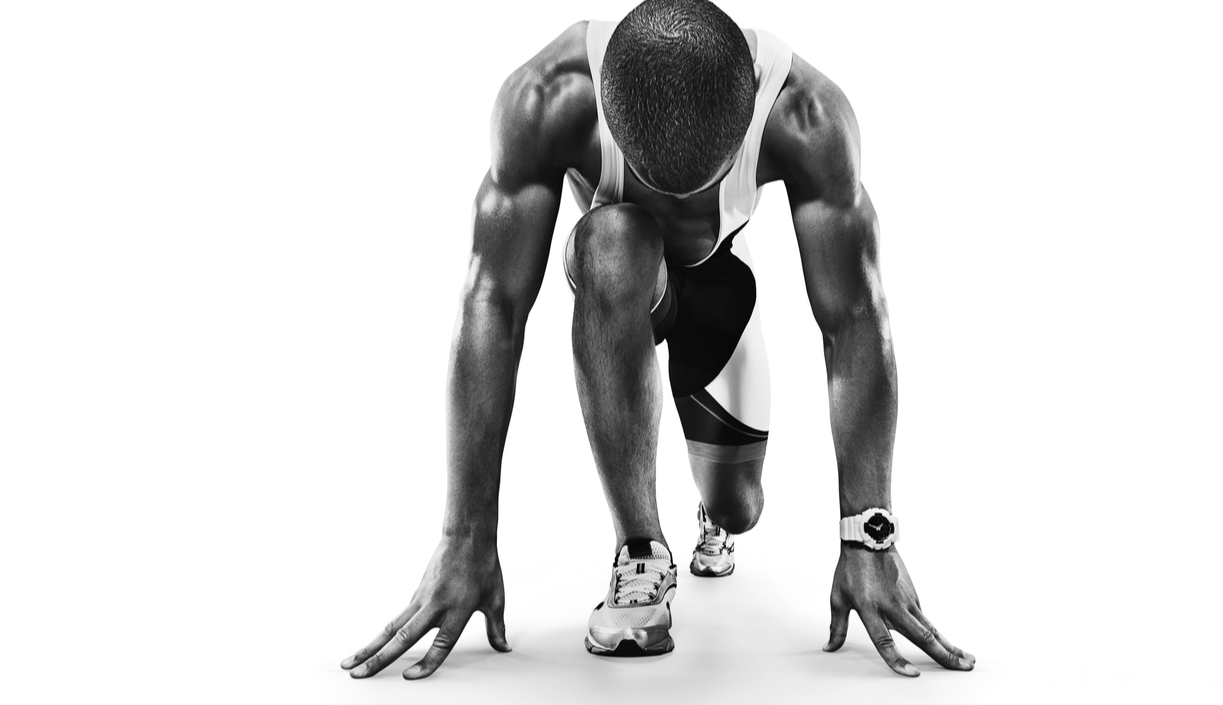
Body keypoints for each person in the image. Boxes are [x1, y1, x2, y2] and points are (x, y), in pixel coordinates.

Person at [341, 0, 973, 679]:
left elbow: (853, 318)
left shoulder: (807, 117)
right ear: (609, 116)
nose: (676, 205)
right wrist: (463, 537)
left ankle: (716, 514)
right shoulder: (548, 98)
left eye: (693, 192)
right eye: (654, 182)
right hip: (628, 288)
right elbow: (492, 303)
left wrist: (868, 536)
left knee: (741, 506)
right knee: (613, 237)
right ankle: (641, 548)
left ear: (744, 128)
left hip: (720, 293)